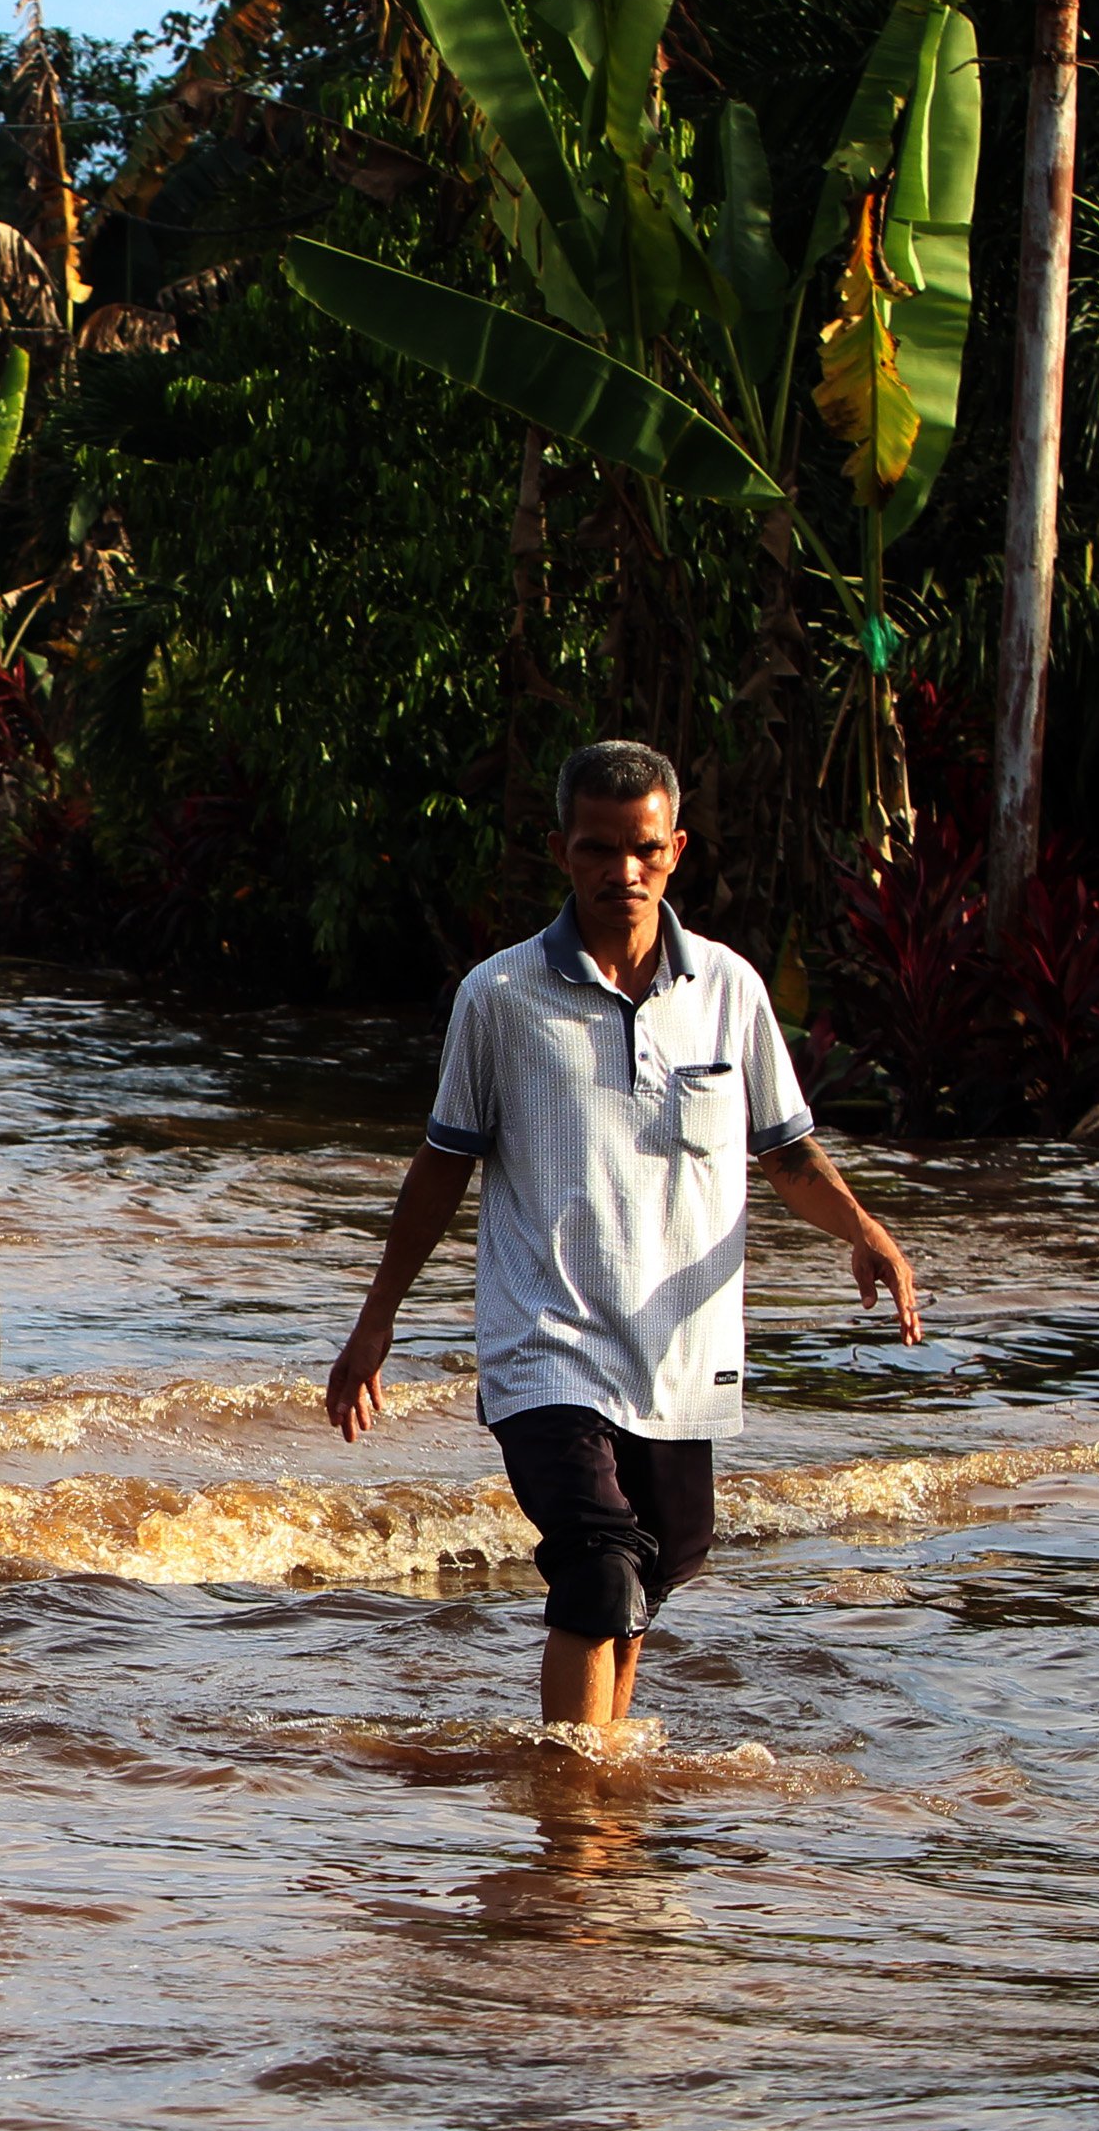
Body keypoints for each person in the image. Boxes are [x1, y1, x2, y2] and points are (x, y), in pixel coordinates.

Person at [326, 740, 924, 1730]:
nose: (622, 873)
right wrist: (375, 1319)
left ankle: (601, 1804)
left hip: (679, 1354)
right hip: (546, 1346)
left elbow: (787, 1156)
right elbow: (440, 1168)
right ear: (564, 852)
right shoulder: (501, 998)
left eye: (642, 849)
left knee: (660, 1561)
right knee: (601, 1567)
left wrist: (865, 1233)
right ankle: (571, 1815)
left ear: (675, 848)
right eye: (599, 850)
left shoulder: (728, 991)